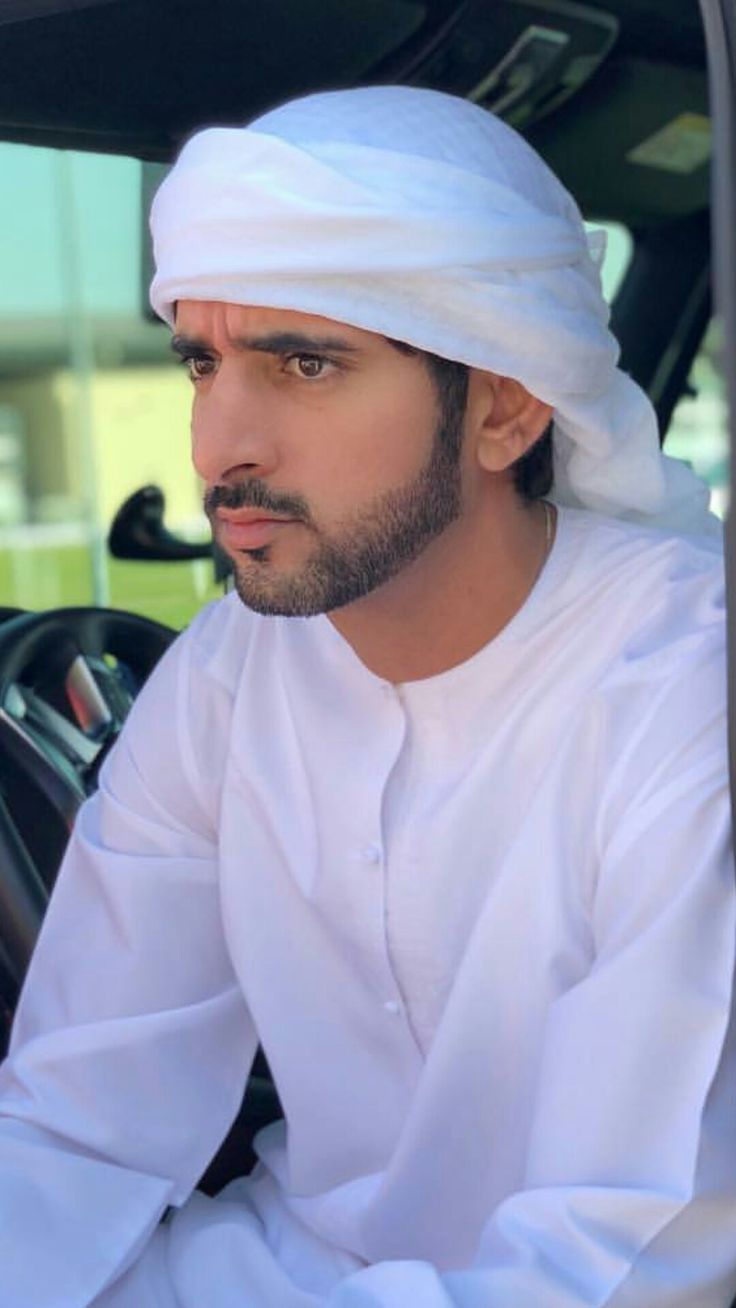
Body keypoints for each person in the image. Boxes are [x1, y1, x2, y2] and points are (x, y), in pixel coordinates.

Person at [0, 85, 735, 1308]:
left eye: (305, 362)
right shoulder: (229, 676)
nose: (218, 446)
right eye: (201, 362)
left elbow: (638, 1248)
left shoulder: (684, 688)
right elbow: (78, 1125)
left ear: (502, 405)